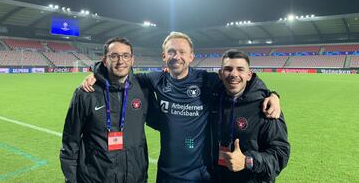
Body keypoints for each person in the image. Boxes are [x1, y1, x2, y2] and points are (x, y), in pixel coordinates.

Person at [82, 32, 281, 182]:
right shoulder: (154, 79)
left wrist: (272, 94)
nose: (177, 56)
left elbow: (240, 80)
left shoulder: (207, 80)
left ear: (191, 56)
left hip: (201, 174)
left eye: (182, 52)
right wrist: (99, 75)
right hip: (167, 173)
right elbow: (121, 75)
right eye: (171, 51)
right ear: (163, 56)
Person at [60, 37, 151, 183]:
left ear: (132, 60)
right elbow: (70, 141)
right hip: (95, 178)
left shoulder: (143, 89)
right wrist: (71, 179)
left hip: (135, 177)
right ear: (104, 60)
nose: (121, 61)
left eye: (126, 55)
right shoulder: (85, 93)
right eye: (114, 56)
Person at [211, 49, 290, 182]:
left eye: (240, 69)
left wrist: (247, 161)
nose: (234, 74)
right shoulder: (212, 99)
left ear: (249, 75)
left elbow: (280, 154)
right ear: (220, 74)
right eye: (228, 69)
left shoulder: (266, 107)